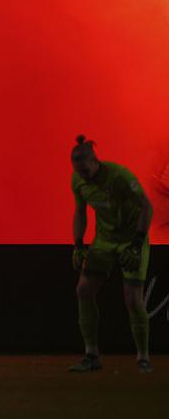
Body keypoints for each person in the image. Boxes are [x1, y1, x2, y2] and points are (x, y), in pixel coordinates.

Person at [68, 135, 153, 374]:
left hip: (131, 239)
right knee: (83, 290)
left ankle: (143, 358)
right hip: (104, 241)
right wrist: (78, 244)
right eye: (78, 172)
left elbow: (147, 207)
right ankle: (91, 355)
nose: (83, 176)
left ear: (96, 161)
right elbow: (80, 212)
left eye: (86, 171)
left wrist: (137, 243)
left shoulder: (120, 177)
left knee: (133, 299)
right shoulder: (78, 181)